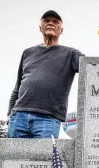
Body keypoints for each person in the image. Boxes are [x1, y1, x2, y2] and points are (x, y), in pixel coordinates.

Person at [7, 10, 84, 138]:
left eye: (55, 21)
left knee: (45, 157)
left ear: (61, 30)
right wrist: (10, 113)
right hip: (18, 116)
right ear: (40, 27)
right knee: (12, 158)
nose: (50, 23)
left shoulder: (70, 54)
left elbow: (92, 68)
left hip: (48, 119)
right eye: (46, 21)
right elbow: (18, 86)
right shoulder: (28, 53)